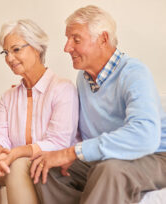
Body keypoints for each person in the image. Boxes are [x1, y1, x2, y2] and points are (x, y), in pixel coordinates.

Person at [30, 5, 166, 204]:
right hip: (106, 157)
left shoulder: (134, 73)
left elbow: (145, 135)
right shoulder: (83, 79)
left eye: (76, 39)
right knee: (45, 167)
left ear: (103, 39)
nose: (67, 47)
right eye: (68, 39)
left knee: (110, 170)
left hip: (154, 156)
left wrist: (73, 152)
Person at [0, 19, 79, 204]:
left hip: (49, 166)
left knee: (20, 165)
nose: (9, 58)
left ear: (36, 48)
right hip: (14, 162)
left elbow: (59, 143)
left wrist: (17, 153)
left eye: (16, 49)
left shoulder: (62, 88)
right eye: (6, 52)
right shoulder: (8, 96)